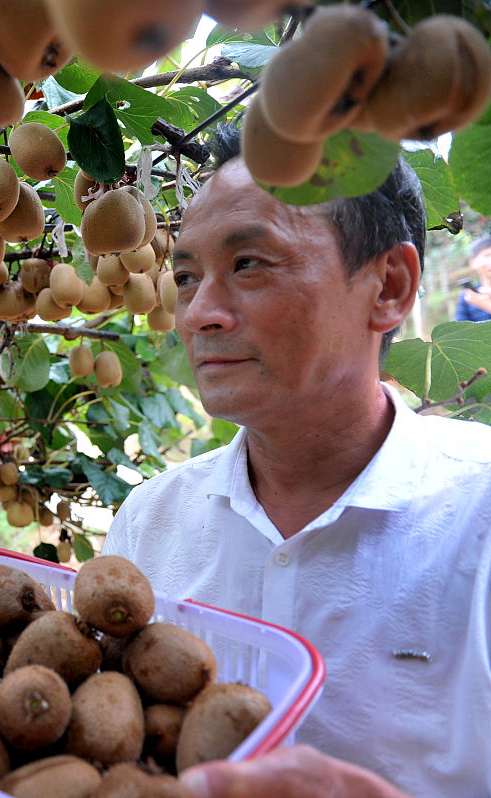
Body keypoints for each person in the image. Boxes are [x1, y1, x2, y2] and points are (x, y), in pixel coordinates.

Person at [103, 123, 491, 798]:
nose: (199, 314)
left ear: (390, 287)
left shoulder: (478, 518)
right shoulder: (149, 524)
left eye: (249, 264)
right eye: (187, 276)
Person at [455, 234, 491, 321]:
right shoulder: (468, 296)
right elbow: (460, 331)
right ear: (473, 263)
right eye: (486, 255)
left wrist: (486, 305)